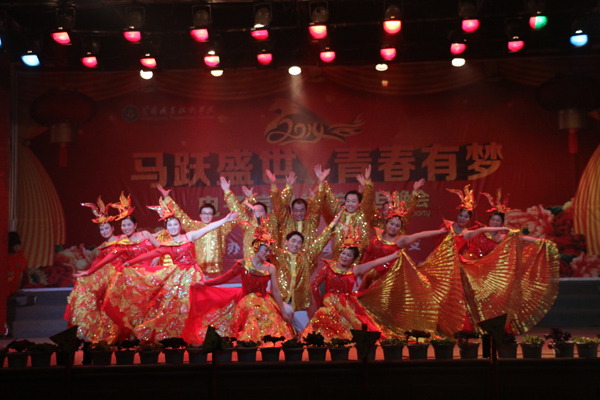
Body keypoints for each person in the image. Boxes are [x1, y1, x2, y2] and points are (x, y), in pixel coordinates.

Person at [108, 200, 239, 342]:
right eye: (169, 225)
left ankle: (194, 332)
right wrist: (130, 262)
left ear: (180, 226)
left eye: (175, 224)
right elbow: (149, 255)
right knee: (171, 306)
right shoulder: (166, 245)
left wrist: (225, 220)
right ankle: (173, 334)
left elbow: (208, 228)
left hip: (193, 275)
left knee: (194, 303)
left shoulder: (189, 236)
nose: (173, 227)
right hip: (176, 277)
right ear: (166, 229)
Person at [458, 188, 560, 335]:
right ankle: (476, 327)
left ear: (502, 223)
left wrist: (541, 242)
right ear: (489, 221)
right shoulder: (481, 232)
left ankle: (496, 327)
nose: (494, 223)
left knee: (499, 300)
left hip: (496, 277)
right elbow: (465, 238)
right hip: (478, 274)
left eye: (498, 221)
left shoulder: (505, 237)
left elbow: (522, 239)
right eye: (493, 220)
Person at [74, 193, 163, 340]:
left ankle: (153, 335)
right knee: (135, 308)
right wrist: (89, 271)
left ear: (135, 225)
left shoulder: (146, 234)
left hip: (151, 276)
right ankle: (135, 335)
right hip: (134, 279)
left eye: (129, 224)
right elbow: (107, 259)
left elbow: (160, 247)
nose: (126, 227)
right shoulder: (122, 244)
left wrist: (157, 257)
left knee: (156, 304)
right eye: (123, 225)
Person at [182, 232, 294, 343]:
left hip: (264, 301)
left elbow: (276, 291)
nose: (268, 253)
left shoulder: (271, 268)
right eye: (266, 250)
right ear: (256, 248)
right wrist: (205, 284)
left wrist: (283, 312)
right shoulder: (243, 264)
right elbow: (224, 278)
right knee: (250, 310)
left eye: (270, 251)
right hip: (244, 300)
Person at [302, 234, 402, 341]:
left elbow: (375, 262)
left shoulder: (355, 270)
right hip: (329, 302)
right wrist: (319, 304)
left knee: (360, 326)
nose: (344, 257)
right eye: (343, 253)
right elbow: (314, 284)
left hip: (347, 304)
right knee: (322, 315)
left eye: (349, 255)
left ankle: (342, 340)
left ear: (353, 259)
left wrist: (393, 256)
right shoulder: (329, 267)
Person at [358, 191, 448, 291]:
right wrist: (363, 269)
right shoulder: (376, 238)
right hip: (373, 276)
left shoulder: (400, 241)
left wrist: (439, 231)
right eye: (391, 224)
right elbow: (368, 254)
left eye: (397, 226)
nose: (393, 227)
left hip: (391, 278)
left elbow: (420, 235)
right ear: (386, 223)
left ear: (400, 229)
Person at [270, 210, 343, 332]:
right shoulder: (279, 256)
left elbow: (321, 241)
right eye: (293, 241)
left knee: (306, 333)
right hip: (280, 303)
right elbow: (266, 243)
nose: (296, 244)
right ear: (286, 242)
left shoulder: (305, 258)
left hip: (299, 305)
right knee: (282, 329)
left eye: (299, 243)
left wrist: (333, 223)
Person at [64, 197, 123, 343]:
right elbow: (97, 265)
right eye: (101, 229)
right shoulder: (103, 247)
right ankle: (103, 332)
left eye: (106, 228)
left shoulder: (122, 240)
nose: (104, 231)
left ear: (112, 228)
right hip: (107, 278)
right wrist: (87, 275)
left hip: (122, 275)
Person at [157, 184, 238, 277]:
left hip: (215, 268)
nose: (206, 215)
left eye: (209, 213)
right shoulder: (193, 226)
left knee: (215, 286)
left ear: (213, 216)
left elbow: (236, 214)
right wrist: (167, 198)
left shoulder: (221, 227)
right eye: (204, 213)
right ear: (200, 215)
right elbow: (179, 214)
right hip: (196, 269)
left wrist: (227, 192)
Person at [266, 165, 328, 249]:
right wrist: (283, 187)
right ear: (292, 210)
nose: (299, 213)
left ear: (306, 210)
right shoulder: (286, 221)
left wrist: (321, 182)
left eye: (302, 210)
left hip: (307, 257)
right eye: (296, 210)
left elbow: (318, 205)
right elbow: (278, 205)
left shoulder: (311, 222)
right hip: (288, 257)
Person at [322, 164, 377, 259]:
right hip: (339, 257)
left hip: (357, 258)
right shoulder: (340, 213)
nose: (350, 204)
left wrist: (367, 183)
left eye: (353, 201)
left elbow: (368, 200)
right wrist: (323, 182)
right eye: (348, 201)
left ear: (359, 203)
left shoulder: (363, 214)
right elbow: (331, 199)